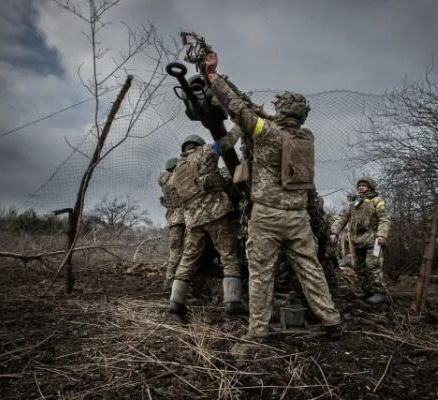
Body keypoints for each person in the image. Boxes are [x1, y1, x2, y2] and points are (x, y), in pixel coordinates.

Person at [204, 52, 342, 339]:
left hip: (266, 216)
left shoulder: (266, 133)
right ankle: (332, 321)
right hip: (298, 216)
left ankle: (257, 332)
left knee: (261, 275)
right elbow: (264, 117)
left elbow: (237, 109)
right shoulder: (306, 137)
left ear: (282, 113)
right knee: (310, 269)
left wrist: (214, 77)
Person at [168, 134, 246, 317]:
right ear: (199, 145)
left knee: (188, 259)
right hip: (215, 214)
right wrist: (241, 125)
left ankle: (175, 302)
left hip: (192, 220)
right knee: (228, 255)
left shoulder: (177, 168)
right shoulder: (206, 152)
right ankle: (233, 301)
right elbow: (227, 142)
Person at [330, 177, 391, 304]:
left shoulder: (377, 201)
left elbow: (384, 218)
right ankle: (367, 290)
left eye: (364, 185)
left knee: (372, 265)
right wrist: (334, 232)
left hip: (374, 242)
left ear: (370, 187)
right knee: (359, 266)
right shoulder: (354, 203)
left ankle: (380, 292)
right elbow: (342, 218)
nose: (361, 187)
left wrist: (382, 235)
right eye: (359, 185)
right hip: (357, 242)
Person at [158, 157, 185, 289]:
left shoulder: (164, 181)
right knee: (183, 252)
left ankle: (169, 281)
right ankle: (177, 283)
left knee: (175, 251)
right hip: (183, 219)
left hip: (173, 220)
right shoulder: (176, 179)